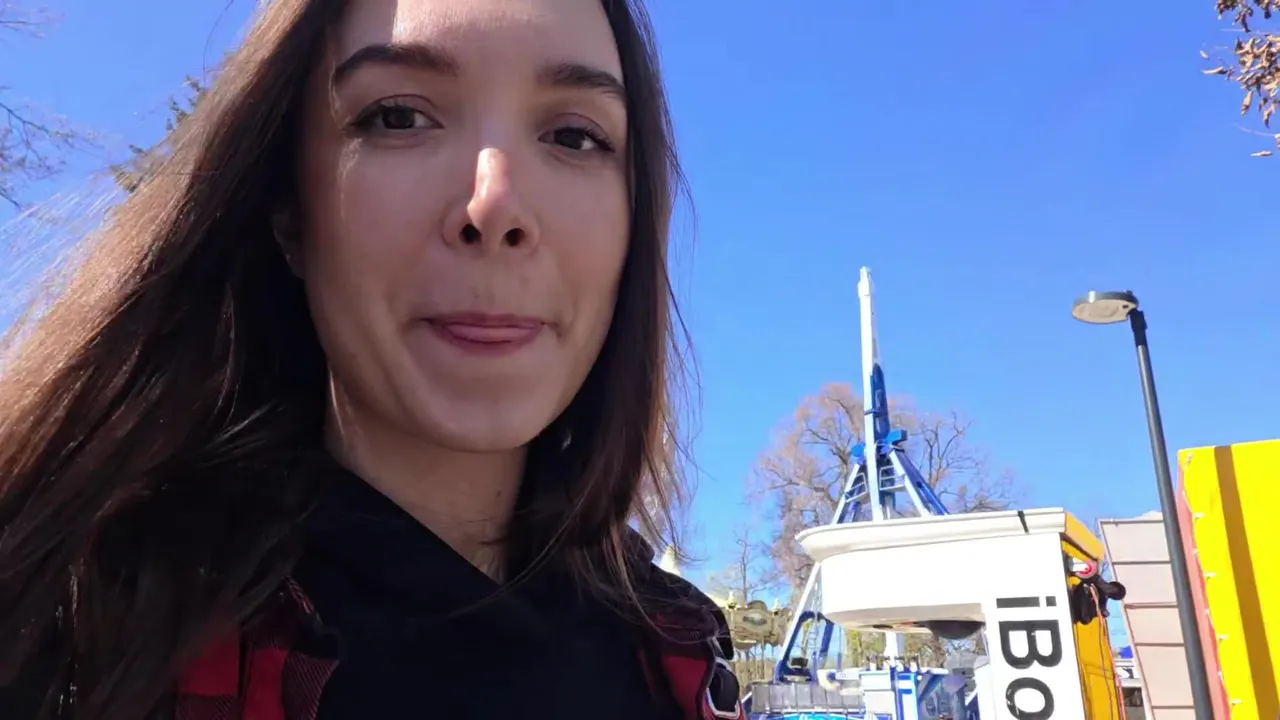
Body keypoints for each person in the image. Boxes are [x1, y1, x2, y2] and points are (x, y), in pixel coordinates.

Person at [0, 0, 745, 718]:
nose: (495, 205)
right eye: (398, 117)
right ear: (289, 210)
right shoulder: (68, 626)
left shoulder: (680, 658)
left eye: (575, 136)